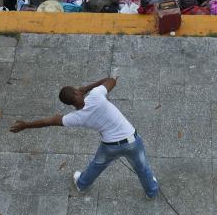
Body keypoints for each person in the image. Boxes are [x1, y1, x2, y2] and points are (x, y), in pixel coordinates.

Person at [9, 77, 160, 199]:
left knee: (97, 165)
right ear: (76, 92)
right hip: (131, 140)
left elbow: (48, 122)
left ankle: (81, 184)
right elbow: (112, 80)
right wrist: (86, 88)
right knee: (142, 167)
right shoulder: (96, 95)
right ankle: (151, 191)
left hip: (110, 146)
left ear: (69, 104)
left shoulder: (75, 118)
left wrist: (26, 125)